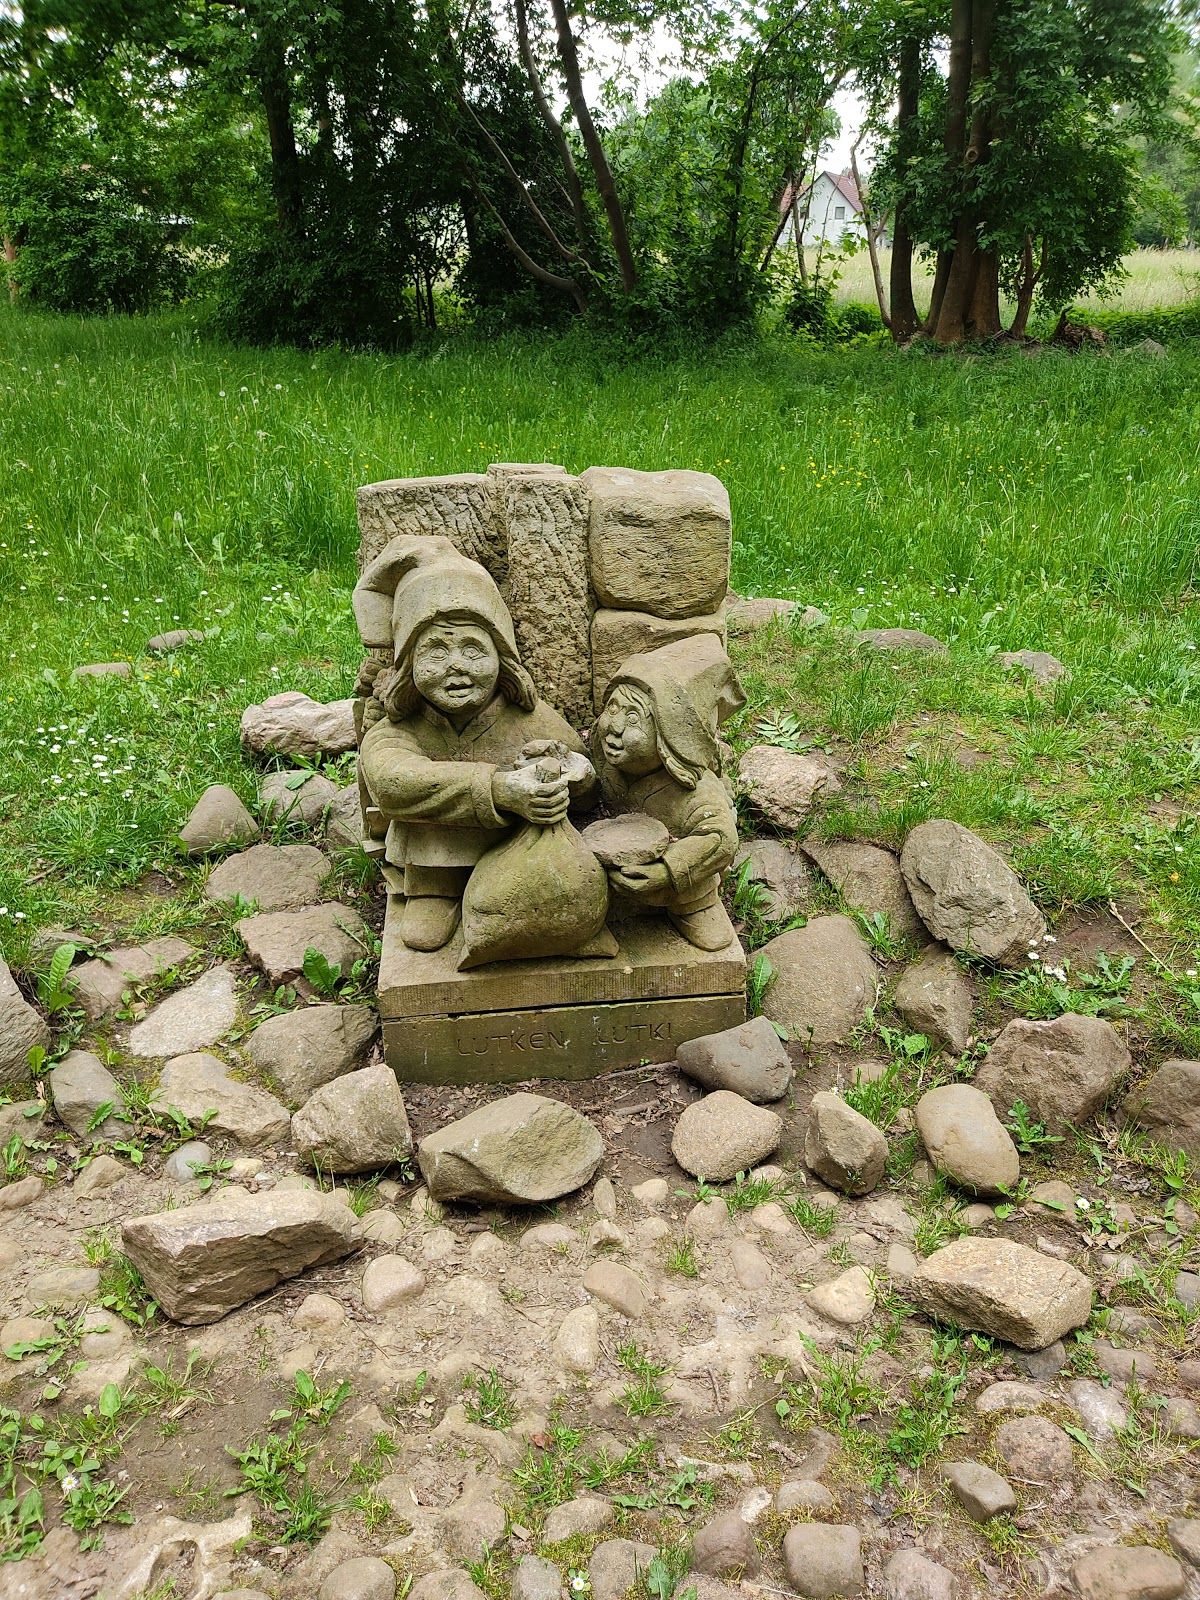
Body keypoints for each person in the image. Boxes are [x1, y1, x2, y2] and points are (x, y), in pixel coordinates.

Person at [354, 536, 594, 952]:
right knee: (422, 936)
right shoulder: (402, 727)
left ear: (503, 658)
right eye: (436, 651)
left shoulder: (529, 718)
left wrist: (577, 774)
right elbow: (391, 781)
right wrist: (499, 789)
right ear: (408, 666)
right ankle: (436, 889)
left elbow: (584, 770)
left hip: (515, 854)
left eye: (472, 649)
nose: (457, 666)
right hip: (436, 855)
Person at [592, 635, 742, 951]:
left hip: (677, 881)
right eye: (612, 708)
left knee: (693, 889)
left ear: (667, 735)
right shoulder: (604, 757)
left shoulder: (693, 791)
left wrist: (668, 872)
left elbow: (721, 839)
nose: (613, 727)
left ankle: (694, 907)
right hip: (618, 859)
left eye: (632, 717)